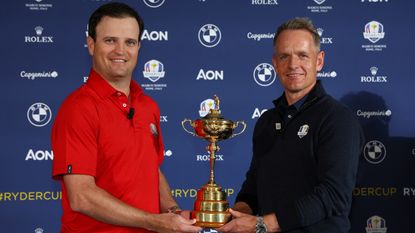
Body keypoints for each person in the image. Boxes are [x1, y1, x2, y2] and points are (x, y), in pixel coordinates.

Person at [51, 2, 202, 233]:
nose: (120, 51)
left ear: (139, 46)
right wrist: (153, 222)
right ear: (91, 45)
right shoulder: (78, 108)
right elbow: (81, 196)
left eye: (129, 42)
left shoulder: (147, 105)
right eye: (110, 40)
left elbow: (152, 168)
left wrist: (171, 210)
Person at [218, 17, 364, 233]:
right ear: (275, 63)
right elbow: (254, 187)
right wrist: (235, 215)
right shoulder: (267, 121)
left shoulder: (338, 119)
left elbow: (334, 195)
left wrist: (263, 224)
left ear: (319, 61)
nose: (293, 65)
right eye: (284, 56)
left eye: (303, 55)